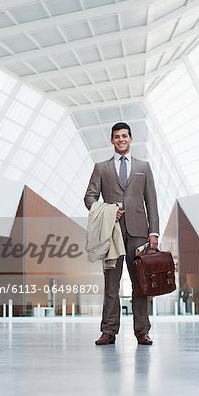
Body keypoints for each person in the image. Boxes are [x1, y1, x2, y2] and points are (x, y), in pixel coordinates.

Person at [84, 122, 159, 345]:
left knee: (141, 284)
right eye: (116, 136)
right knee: (111, 284)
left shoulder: (143, 167)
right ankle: (108, 331)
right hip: (111, 234)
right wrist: (108, 211)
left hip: (139, 234)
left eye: (124, 136)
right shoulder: (101, 167)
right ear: (111, 140)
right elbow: (89, 198)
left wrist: (153, 233)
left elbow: (151, 202)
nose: (121, 139)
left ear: (131, 138)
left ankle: (142, 331)